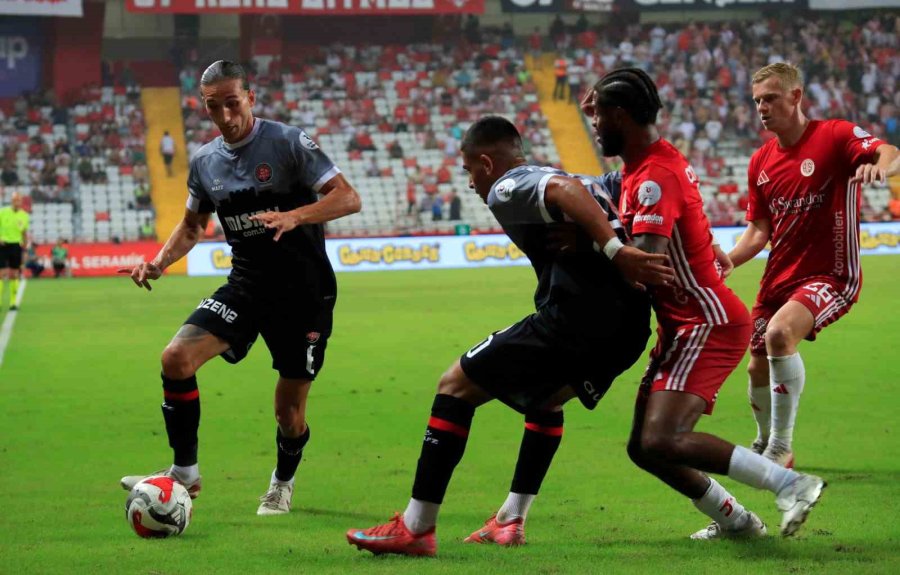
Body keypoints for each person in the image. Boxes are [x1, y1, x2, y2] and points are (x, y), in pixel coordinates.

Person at [346, 116, 674, 557]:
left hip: (577, 319)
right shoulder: (592, 178)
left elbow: (563, 191)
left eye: (468, 171)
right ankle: (510, 519)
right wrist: (594, 240)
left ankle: (416, 526)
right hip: (628, 329)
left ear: (485, 162)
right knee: (545, 399)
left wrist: (614, 251)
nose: (469, 183)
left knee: (454, 385)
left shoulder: (508, 185)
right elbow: (614, 193)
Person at [582, 68, 826, 540]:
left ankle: (790, 483)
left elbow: (646, 265)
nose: (594, 127)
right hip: (682, 324)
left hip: (705, 321)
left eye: (598, 118)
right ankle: (736, 521)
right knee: (644, 447)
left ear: (619, 115)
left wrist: (589, 244)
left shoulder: (653, 175)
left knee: (663, 438)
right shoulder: (649, 163)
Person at [118, 60, 361, 516]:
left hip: (304, 293)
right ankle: (185, 473)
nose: (225, 116)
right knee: (175, 358)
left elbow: (348, 197)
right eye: (214, 108)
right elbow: (192, 226)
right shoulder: (206, 161)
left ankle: (282, 483)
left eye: (233, 103)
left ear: (250, 98)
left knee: (288, 415)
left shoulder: (288, 143)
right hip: (247, 284)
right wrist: (157, 263)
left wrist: (295, 216)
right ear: (204, 107)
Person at [727, 63, 900, 468]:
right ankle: (765, 438)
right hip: (778, 278)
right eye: (757, 101)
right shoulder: (761, 162)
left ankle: (781, 448)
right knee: (754, 367)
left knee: (780, 335)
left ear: (796, 97)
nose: (762, 108)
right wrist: (726, 260)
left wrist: (882, 167)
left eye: (770, 98)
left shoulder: (835, 135)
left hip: (831, 274)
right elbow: (757, 232)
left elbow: (890, 152)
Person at [0, 192, 29, 311]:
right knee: (1, 274)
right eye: (15, 200)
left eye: (19, 200)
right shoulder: (3, 212)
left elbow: (24, 233)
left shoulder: (24, 216)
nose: (17, 202)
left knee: (14, 274)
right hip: (3, 244)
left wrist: (25, 249)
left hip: (16, 246)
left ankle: (13, 302)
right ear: (12, 201)